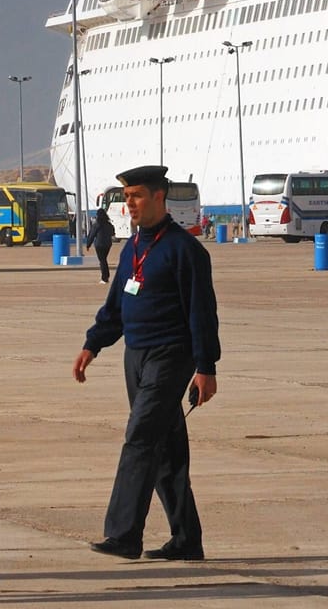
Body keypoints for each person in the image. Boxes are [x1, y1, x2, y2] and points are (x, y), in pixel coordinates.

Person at [73, 164, 220, 562]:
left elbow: (202, 314)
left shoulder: (185, 251)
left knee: (139, 439)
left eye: (136, 196)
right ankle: (186, 540)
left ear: (159, 197)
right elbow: (116, 307)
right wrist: (93, 345)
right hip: (135, 357)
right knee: (166, 451)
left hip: (171, 356)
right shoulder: (133, 248)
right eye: (126, 197)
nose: (129, 204)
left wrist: (206, 368)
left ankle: (123, 534)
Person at [85, 206, 116, 285]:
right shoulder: (108, 224)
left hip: (99, 245)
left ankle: (104, 278)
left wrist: (88, 244)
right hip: (108, 244)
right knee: (104, 260)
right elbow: (112, 232)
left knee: (102, 261)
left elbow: (92, 235)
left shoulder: (97, 224)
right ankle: (106, 276)